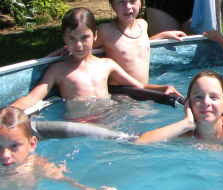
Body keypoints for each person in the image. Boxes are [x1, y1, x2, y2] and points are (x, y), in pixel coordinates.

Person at [11, 8, 178, 119]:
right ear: (64, 39)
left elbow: (138, 86)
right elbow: (33, 98)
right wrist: (9, 111)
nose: (78, 44)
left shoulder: (107, 65)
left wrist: (163, 88)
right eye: (71, 38)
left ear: (95, 36)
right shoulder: (58, 70)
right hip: (80, 124)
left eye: (84, 37)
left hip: (110, 119)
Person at [135, 70, 223, 143]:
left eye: (214, 97)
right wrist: (186, 123)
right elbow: (140, 141)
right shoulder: (185, 133)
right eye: (199, 97)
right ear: (188, 103)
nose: (206, 102)